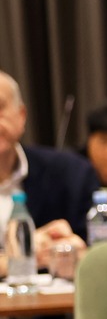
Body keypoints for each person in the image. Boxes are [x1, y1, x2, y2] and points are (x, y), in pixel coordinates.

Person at [0, 71, 97, 265]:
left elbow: (102, 251)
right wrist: (15, 261)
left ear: (21, 116)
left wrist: (71, 251)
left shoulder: (70, 173)